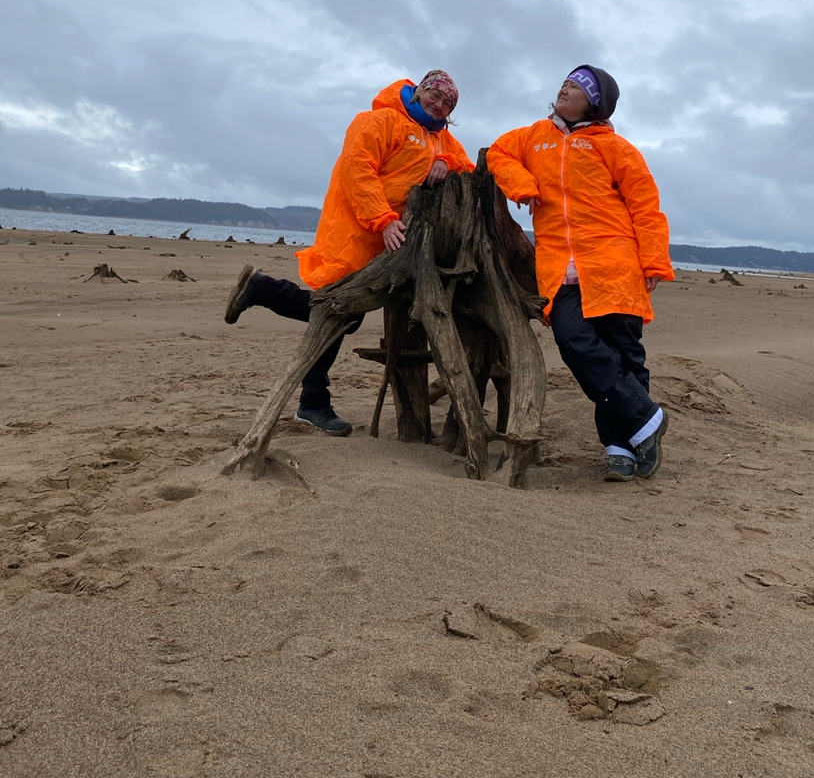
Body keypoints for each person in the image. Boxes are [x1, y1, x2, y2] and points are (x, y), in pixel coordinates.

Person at [224, 70, 474, 435]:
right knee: (338, 311)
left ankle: (263, 294)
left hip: (390, 240)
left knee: (342, 313)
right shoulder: (378, 120)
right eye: (435, 96)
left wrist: (445, 162)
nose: (439, 105)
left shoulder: (443, 140)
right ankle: (311, 400)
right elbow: (357, 170)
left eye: (447, 104)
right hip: (356, 228)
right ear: (419, 91)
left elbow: (469, 165)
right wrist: (382, 219)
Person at [487, 65, 674, 481]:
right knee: (575, 345)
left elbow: (646, 207)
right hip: (558, 269)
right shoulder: (534, 137)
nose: (564, 89)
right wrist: (521, 184)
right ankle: (647, 419)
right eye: (565, 83)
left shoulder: (617, 149)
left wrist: (654, 261)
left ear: (594, 101)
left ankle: (619, 450)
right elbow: (498, 152)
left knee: (625, 358)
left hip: (614, 266)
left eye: (575, 87)